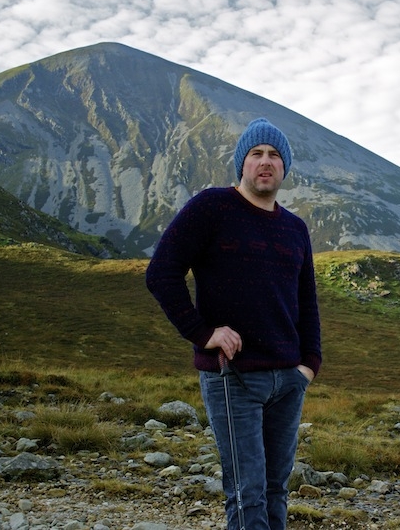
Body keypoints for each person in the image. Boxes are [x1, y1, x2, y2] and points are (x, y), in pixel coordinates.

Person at [146, 117, 322, 530]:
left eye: (274, 155)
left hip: (288, 380)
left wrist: (309, 364)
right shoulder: (211, 207)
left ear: (284, 167)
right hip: (233, 377)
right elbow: (161, 273)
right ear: (241, 163)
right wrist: (203, 333)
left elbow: (306, 300)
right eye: (256, 153)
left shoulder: (295, 228)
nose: (265, 162)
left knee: (277, 489)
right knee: (248, 493)